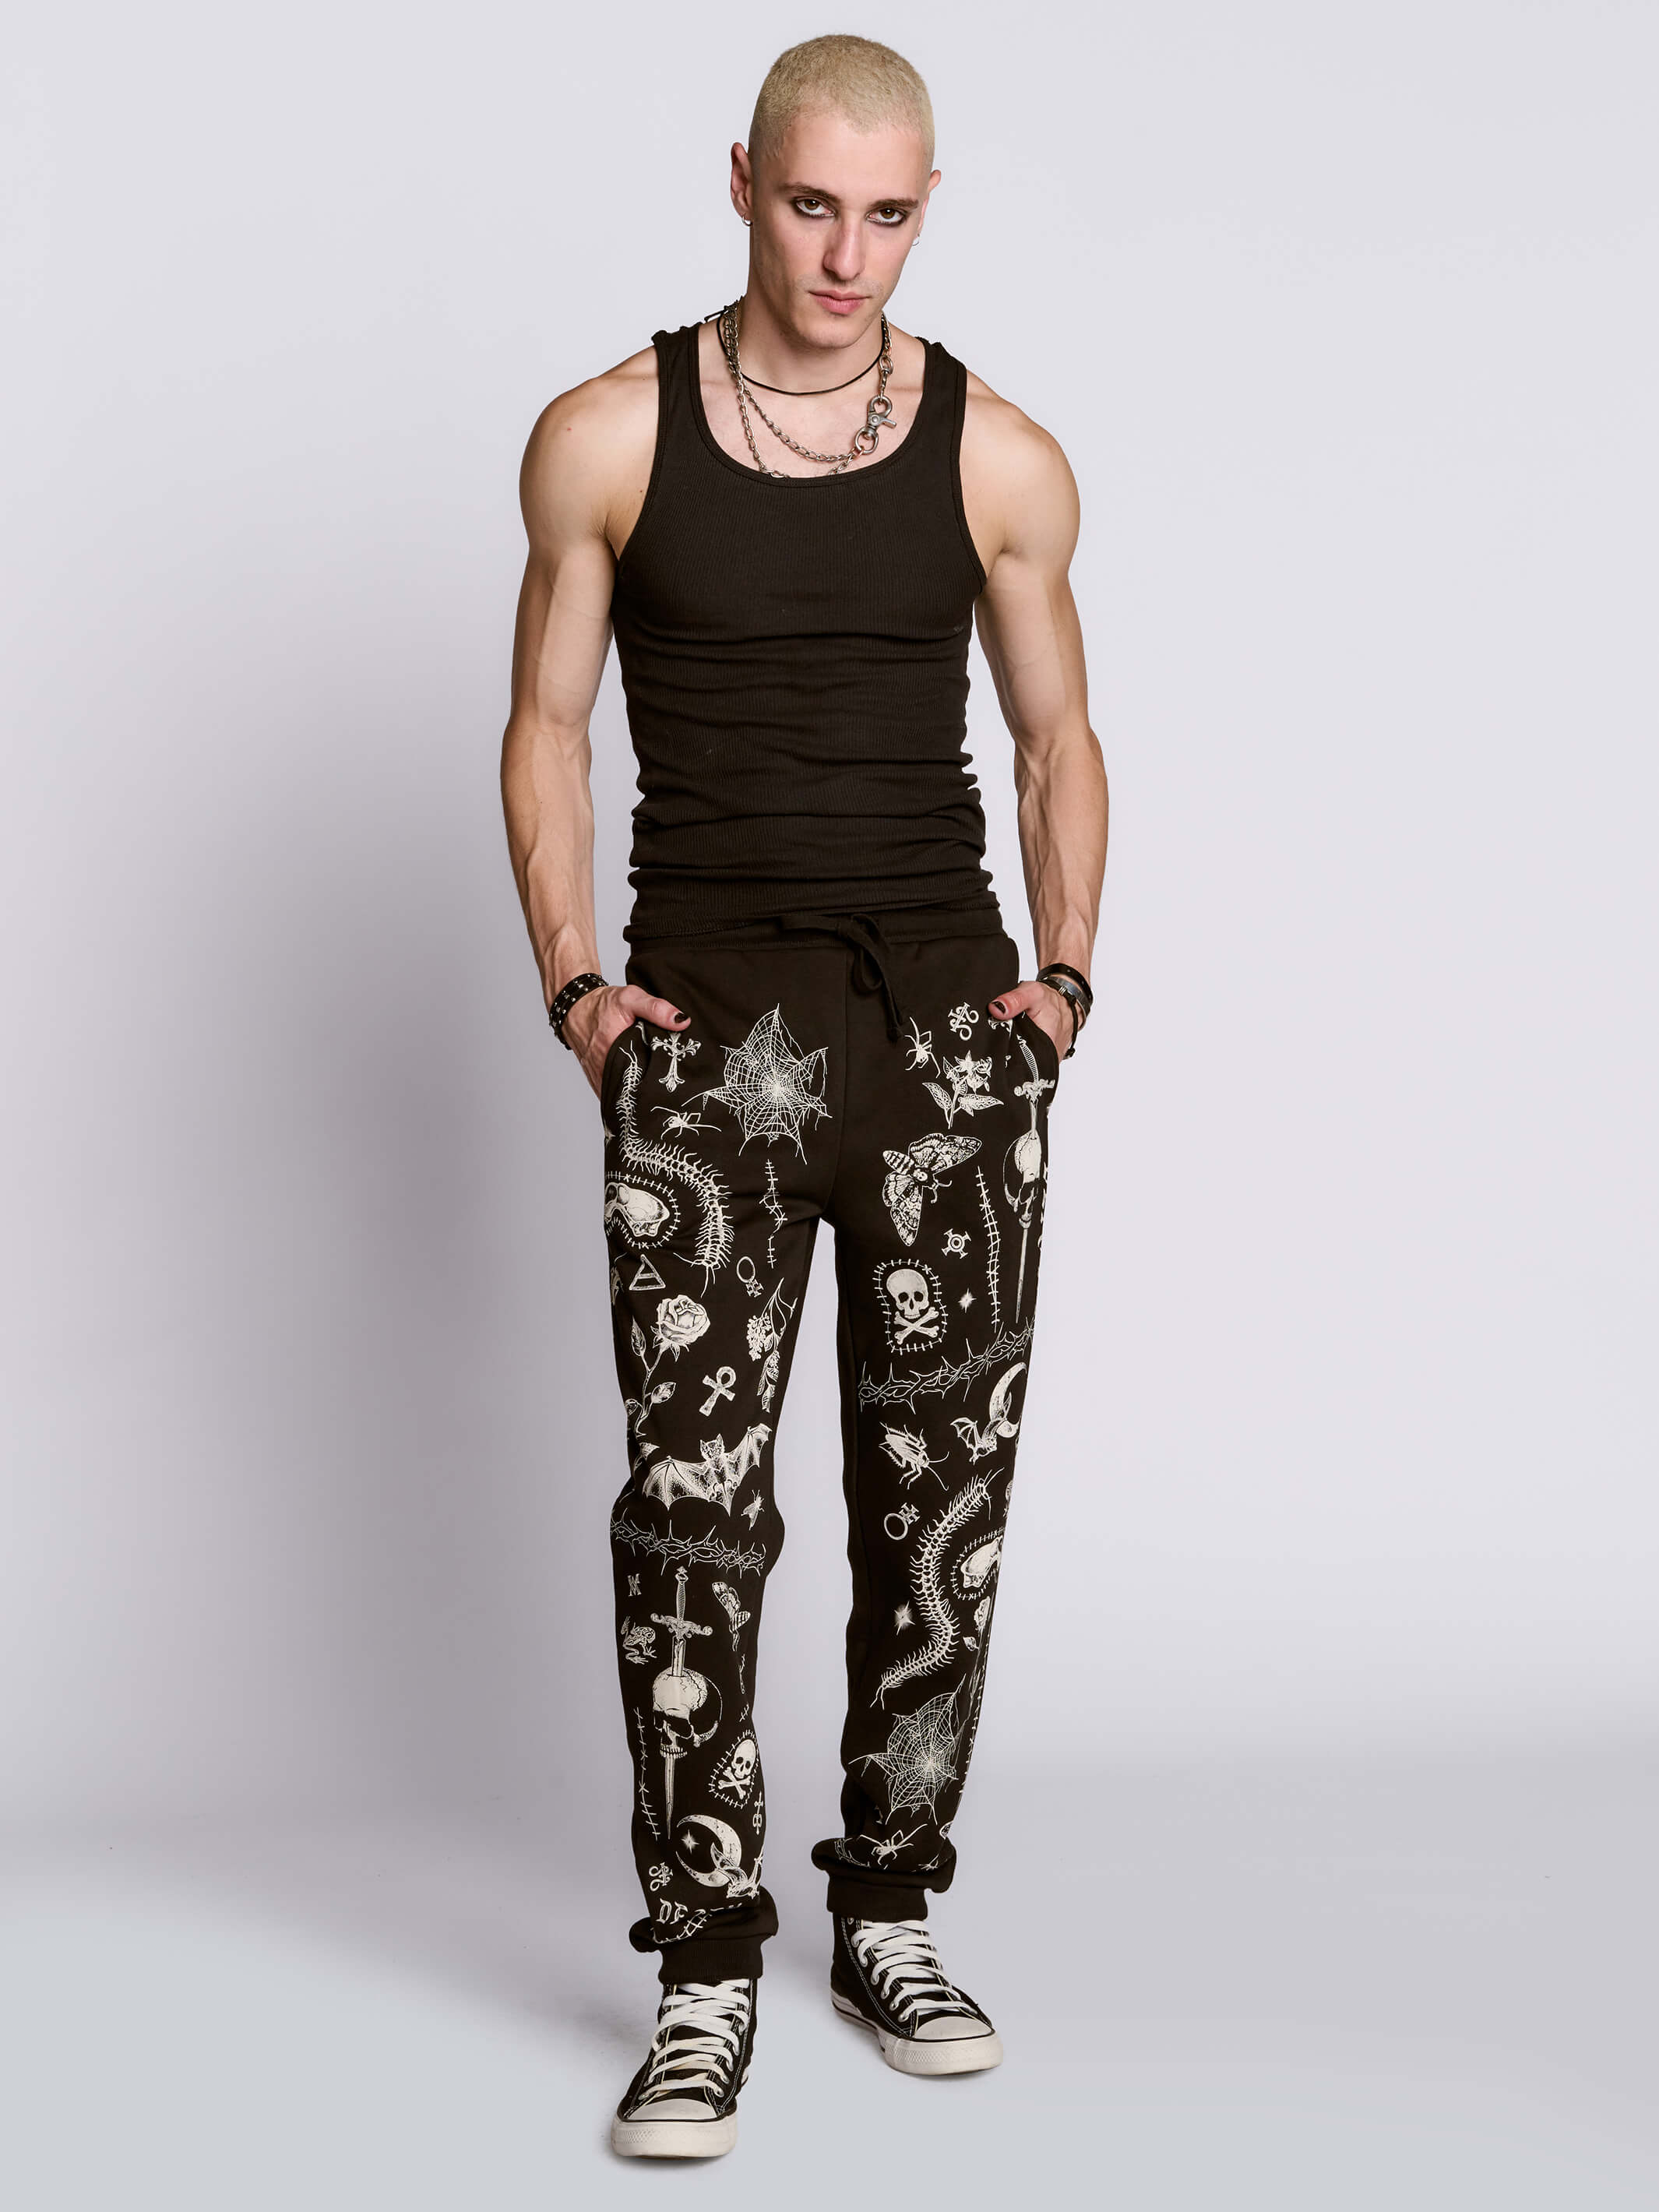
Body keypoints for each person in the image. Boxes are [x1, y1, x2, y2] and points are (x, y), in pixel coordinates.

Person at [501, 33, 1107, 2161]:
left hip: (942, 1048)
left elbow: (1057, 734)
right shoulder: (606, 433)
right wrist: (579, 991)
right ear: (744, 184)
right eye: (811, 204)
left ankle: (890, 1916)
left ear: (926, 208)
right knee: (693, 1513)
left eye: (889, 213)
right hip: (705, 1049)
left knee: (938, 1513)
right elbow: (546, 723)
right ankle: (699, 1967)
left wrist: (1058, 993)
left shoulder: (998, 453)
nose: (845, 255)